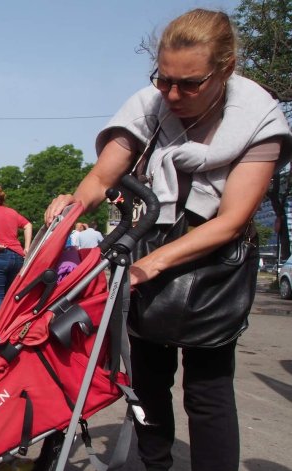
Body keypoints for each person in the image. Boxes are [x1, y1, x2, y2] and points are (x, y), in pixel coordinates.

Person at [44, 9, 291, 470]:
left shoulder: (260, 120)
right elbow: (101, 178)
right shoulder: (148, 105)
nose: (173, 94)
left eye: (190, 83)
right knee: (149, 381)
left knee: (208, 391)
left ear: (228, 68)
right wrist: (70, 209)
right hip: (148, 251)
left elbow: (232, 219)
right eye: (164, 79)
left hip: (211, 264)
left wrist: (150, 266)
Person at [0, 186, 32, 321]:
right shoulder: (12, 212)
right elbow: (28, 225)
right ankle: (9, 330)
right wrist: (27, 247)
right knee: (11, 296)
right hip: (17, 256)